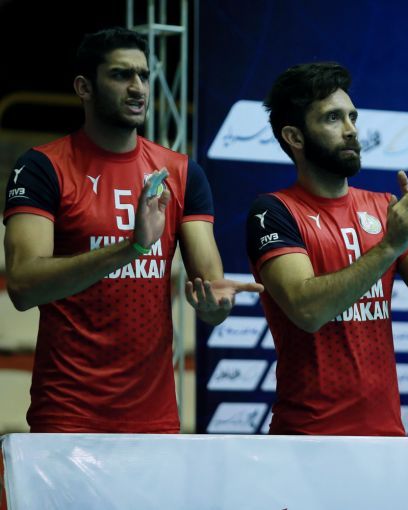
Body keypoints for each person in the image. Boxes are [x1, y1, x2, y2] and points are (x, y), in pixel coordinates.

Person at [2, 27, 261, 433]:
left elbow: (209, 289)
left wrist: (215, 308)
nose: (138, 87)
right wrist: (131, 248)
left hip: (154, 418)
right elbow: (22, 286)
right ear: (84, 87)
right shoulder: (41, 167)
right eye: (121, 75)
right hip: (68, 414)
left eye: (143, 75)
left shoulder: (181, 172)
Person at [246, 62, 408, 435]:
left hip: (386, 435)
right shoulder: (274, 211)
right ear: (295, 137)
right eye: (333, 118)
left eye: (352, 117)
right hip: (308, 437)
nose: (351, 130)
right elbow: (307, 310)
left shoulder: (384, 207)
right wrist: (389, 247)